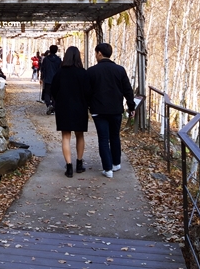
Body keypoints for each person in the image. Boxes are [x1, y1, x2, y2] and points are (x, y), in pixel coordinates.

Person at [87, 42, 135, 178]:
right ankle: (116, 163)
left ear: (99, 53)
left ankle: (107, 169)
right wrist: (131, 107)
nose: (95, 55)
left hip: (99, 110)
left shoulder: (91, 71)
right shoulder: (120, 70)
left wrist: (89, 105)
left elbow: (87, 92)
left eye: (96, 53)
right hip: (116, 110)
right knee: (114, 136)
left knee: (103, 139)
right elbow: (128, 90)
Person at [51, 46, 89, 177]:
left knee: (66, 137)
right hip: (80, 107)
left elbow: (53, 90)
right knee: (80, 135)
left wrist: (59, 101)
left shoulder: (60, 73)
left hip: (64, 107)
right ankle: (79, 164)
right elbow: (88, 92)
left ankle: (69, 167)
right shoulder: (83, 73)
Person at [39, 45, 61, 115]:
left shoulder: (46, 59)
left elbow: (42, 69)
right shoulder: (59, 59)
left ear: (50, 50)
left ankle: (49, 105)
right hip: (56, 80)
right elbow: (60, 70)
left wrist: (41, 78)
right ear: (56, 51)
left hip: (47, 79)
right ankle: (53, 107)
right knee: (55, 95)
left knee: (47, 93)